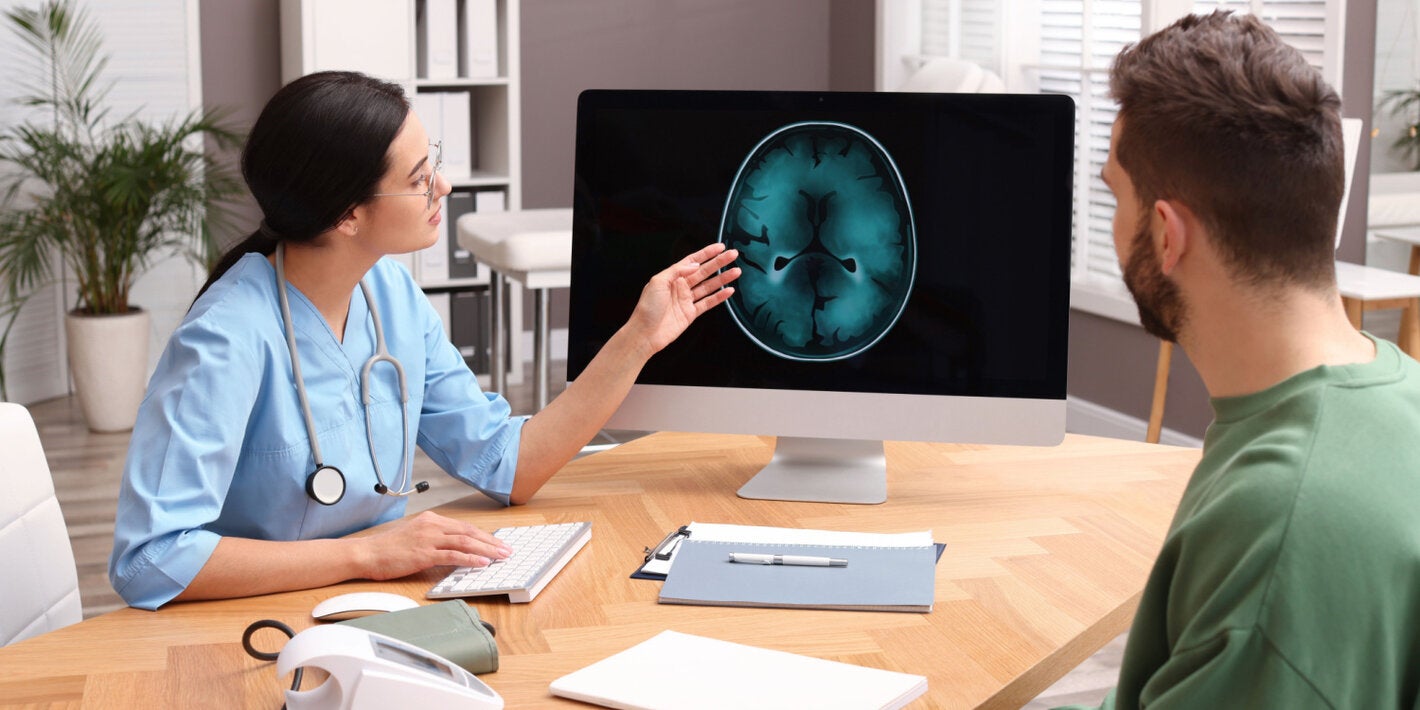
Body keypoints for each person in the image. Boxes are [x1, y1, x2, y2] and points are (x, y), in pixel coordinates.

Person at [109, 71, 741, 611]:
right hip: (254, 622)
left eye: (431, 161)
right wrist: (363, 555)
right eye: (418, 178)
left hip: (378, 602)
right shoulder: (225, 338)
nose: (443, 186)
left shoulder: (389, 295)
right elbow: (150, 560)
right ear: (347, 214)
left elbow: (509, 466)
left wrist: (639, 337)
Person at [1058, 11, 1420, 709]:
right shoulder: (1399, 394)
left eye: (1115, 197)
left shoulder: (1280, 527)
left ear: (1167, 234)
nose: (1113, 224)